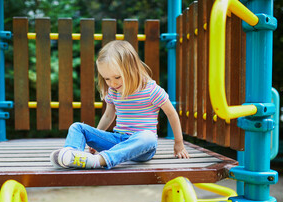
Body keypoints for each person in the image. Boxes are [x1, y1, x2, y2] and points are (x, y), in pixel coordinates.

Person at [50, 40, 189, 169]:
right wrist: (97, 136)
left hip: (142, 147)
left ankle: (100, 160)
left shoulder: (151, 90)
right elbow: (108, 115)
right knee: (77, 127)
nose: (112, 83)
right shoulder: (113, 91)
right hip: (118, 141)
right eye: (107, 79)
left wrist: (179, 143)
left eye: (117, 77)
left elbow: (171, 113)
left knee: (148, 137)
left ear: (132, 68)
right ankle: (71, 156)